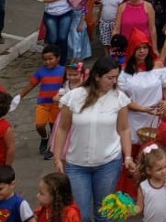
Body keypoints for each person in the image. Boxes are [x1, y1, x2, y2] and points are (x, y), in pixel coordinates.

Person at [53, 56, 134, 222]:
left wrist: (128, 156)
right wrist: (57, 158)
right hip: (76, 165)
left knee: (104, 213)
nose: (113, 81)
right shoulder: (74, 96)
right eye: (109, 78)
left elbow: (124, 129)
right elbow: (62, 128)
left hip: (109, 163)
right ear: (97, 76)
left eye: (115, 78)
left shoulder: (119, 98)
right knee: (81, 214)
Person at [16, 45, 65, 160]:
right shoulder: (40, 72)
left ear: (58, 58)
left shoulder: (64, 71)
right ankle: (44, 137)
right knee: (39, 125)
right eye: (45, 59)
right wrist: (20, 96)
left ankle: (52, 148)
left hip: (57, 104)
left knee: (55, 127)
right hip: (42, 103)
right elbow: (31, 84)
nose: (47, 62)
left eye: (50, 59)